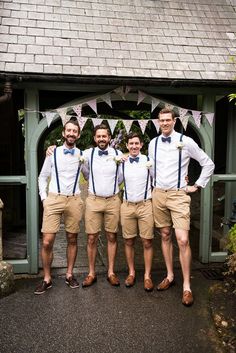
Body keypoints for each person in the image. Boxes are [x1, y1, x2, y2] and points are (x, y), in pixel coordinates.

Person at [148, 108, 214, 306]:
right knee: (165, 235)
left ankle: (187, 286)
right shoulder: (153, 144)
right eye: (162, 120)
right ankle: (169, 276)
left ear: (174, 121)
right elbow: (151, 168)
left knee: (183, 239)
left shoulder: (186, 142)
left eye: (168, 120)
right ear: (158, 122)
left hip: (179, 195)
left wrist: (197, 185)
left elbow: (207, 163)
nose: (165, 123)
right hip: (158, 194)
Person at [34, 120, 86, 295]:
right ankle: (47, 278)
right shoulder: (52, 153)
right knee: (47, 241)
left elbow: (89, 174)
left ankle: (69, 274)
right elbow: (42, 177)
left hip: (74, 199)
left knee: (72, 239)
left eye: (75, 131)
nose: (71, 134)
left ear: (78, 135)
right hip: (54, 199)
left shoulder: (82, 155)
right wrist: (44, 199)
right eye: (68, 131)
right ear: (64, 133)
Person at [82, 124, 123, 287]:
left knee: (112, 236)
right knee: (92, 237)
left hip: (113, 200)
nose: (101, 139)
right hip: (93, 200)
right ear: (94, 138)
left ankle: (111, 272)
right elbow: (85, 173)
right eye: (98, 136)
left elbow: (120, 177)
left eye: (104, 136)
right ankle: (91, 273)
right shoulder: (87, 154)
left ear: (109, 138)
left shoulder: (118, 154)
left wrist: (110, 187)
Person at [120, 132, 154, 291]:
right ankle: (131, 273)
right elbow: (115, 180)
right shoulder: (122, 162)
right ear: (127, 146)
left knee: (147, 241)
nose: (133, 146)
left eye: (136, 143)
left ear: (141, 145)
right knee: (128, 240)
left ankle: (147, 276)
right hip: (126, 206)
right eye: (131, 144)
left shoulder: (148, 161)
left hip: (145, 205)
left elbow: (158, 179)